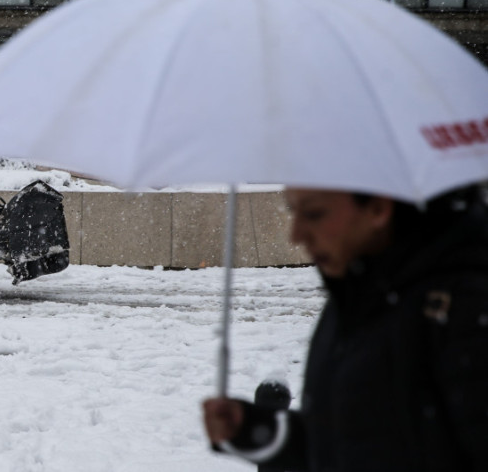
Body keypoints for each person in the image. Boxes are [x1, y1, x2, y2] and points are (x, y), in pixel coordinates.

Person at [202, 185, 488, 471]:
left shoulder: (468, 308)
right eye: (292, 211)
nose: (296, 234)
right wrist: (259, 432)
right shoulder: (356, 295)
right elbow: (352, 440)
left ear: (378, 208)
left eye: (314, 213)